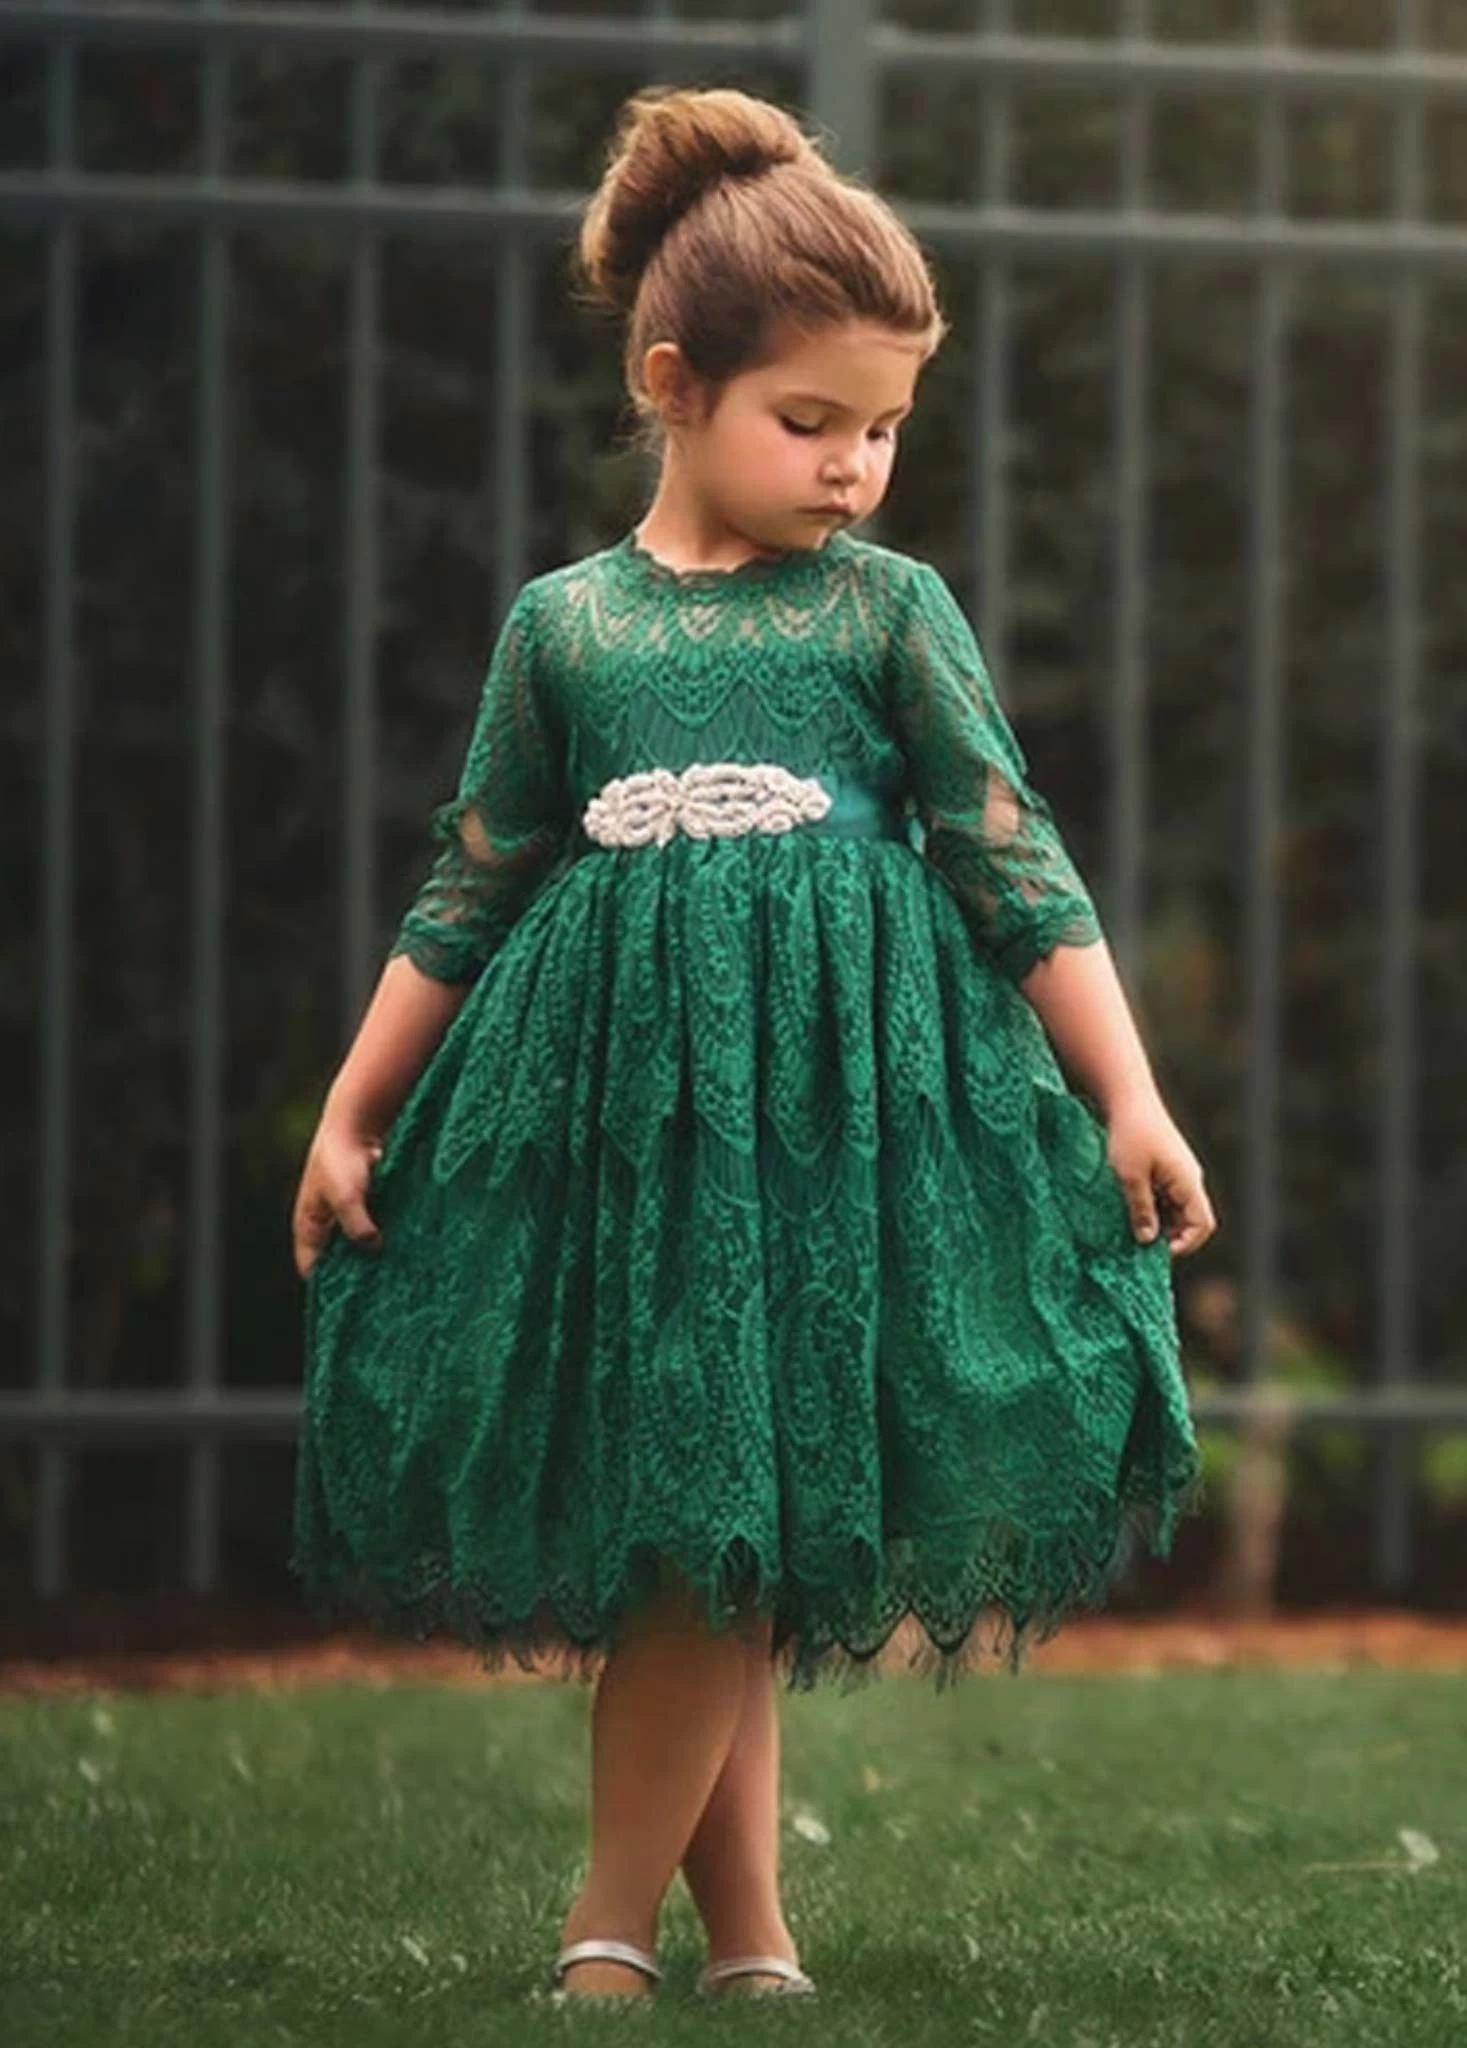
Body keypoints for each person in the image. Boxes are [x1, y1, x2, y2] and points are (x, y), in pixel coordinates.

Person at [288, 83, 1215, 2009]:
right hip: (628, 1125)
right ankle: (748, 1943)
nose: (856, 465)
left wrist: (1126, 1093)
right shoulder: (567, 630)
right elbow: (474, 879)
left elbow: (1009, 858)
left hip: (828, 1120)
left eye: (885, 427)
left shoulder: (887, 614)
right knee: (695, 1512)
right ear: (672, 385)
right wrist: (353, 1109)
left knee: (725, 1511)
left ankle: (611, 1933)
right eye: (811, 422)